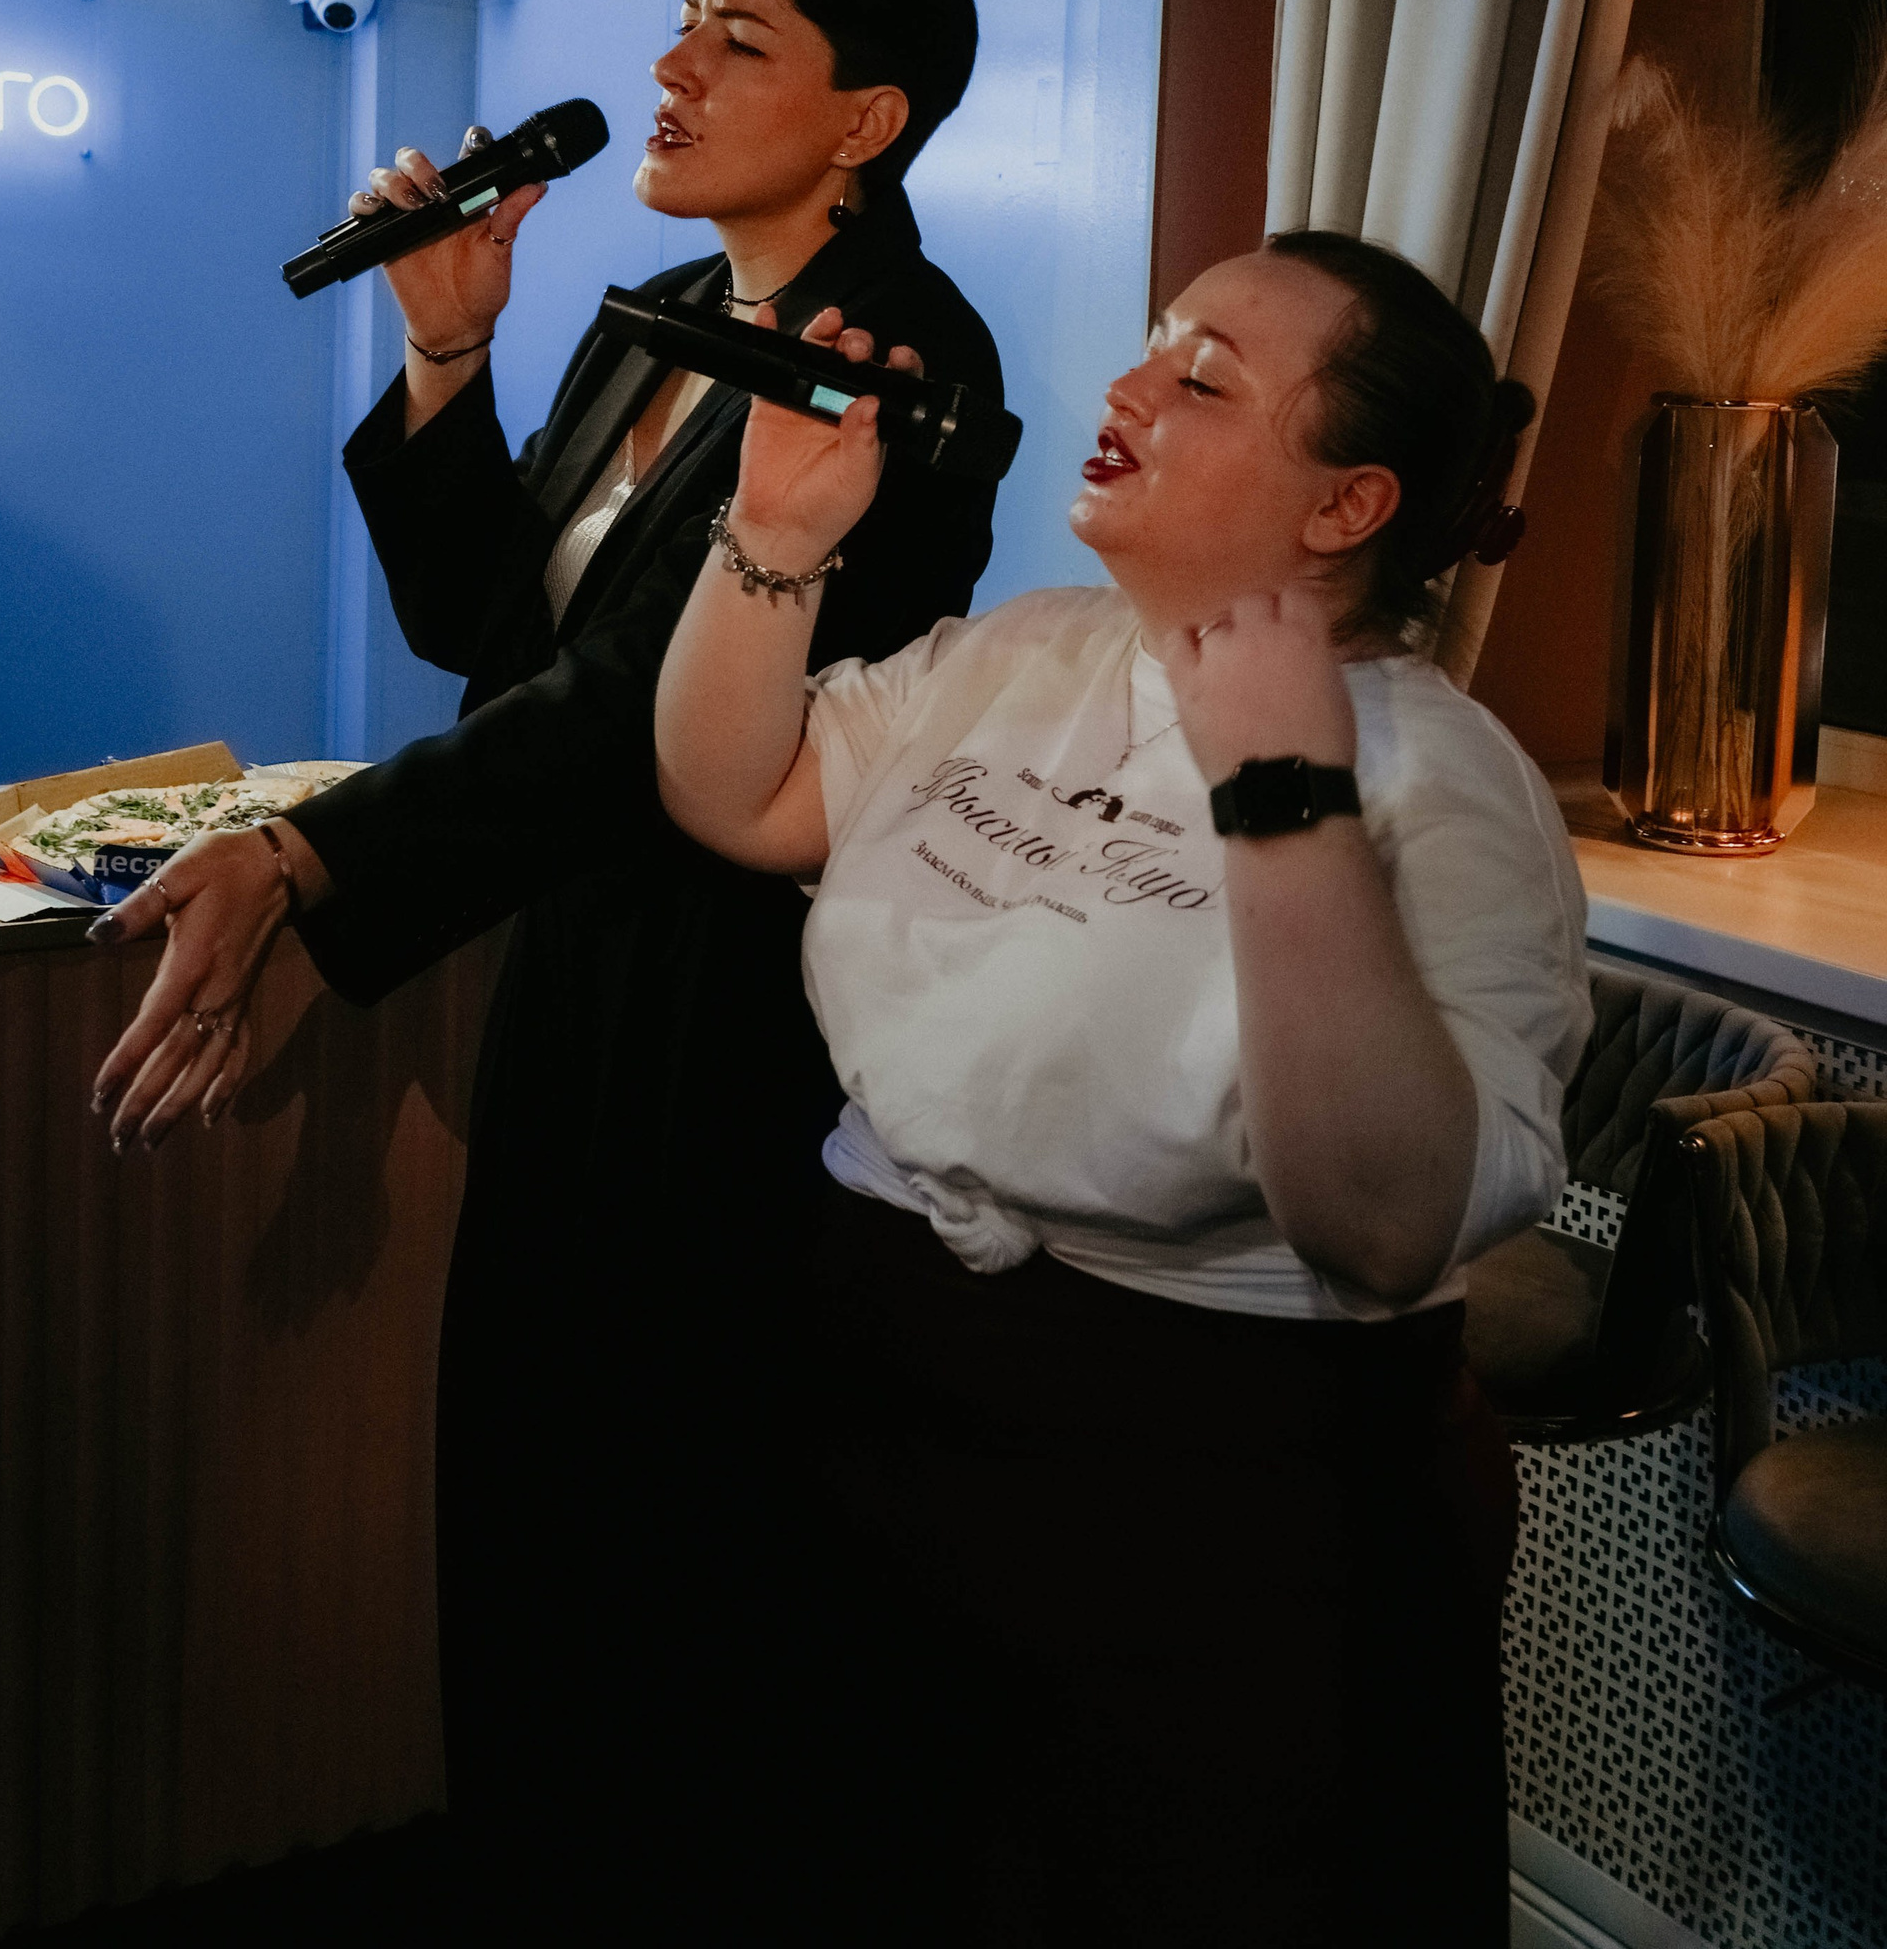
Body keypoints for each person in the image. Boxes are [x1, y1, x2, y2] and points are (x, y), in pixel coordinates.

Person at [90, 0, 1007, 1931]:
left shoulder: (899, 352)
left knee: (665, 1535)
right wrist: (448, 356)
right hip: (576, 973)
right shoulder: (659, 312)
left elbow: (628, 723)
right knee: (525, 1499)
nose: (672, 69)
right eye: (683, 21)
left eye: (739, 38)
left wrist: (308, 852)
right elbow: (497, 642)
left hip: (733, 1016)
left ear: (867, 118)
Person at [654, 228, 1592, 1948]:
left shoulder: (1448, 789)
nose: (1128, 387)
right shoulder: (1028, 651)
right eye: (1156, 343)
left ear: (1346, 506)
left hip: (1205, 1501)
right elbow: (740, 796)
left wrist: (1285, 791)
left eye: (1204, 379)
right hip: (877, 1398)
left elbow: (1385, 1228)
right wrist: (774, 537)